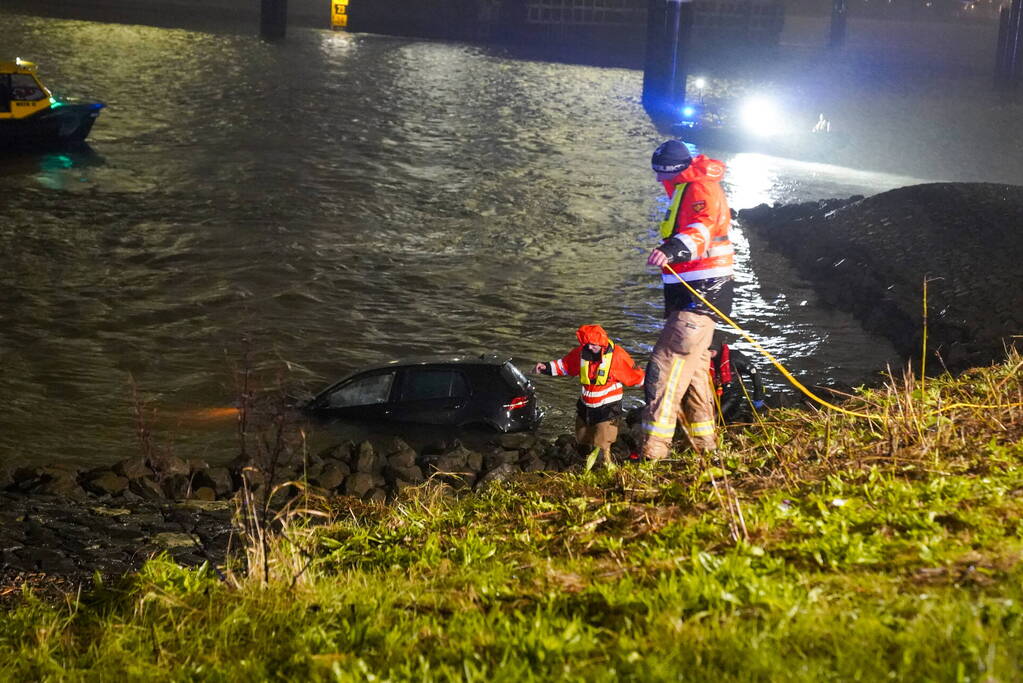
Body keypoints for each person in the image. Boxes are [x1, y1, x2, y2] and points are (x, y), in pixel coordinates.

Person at [640, 139, 735, 459]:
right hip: (696, 294)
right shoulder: (688, 186)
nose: (658, 178)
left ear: (675, 169)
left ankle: (653, 451)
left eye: (661, 172)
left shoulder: (699, 188)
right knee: (694, 374)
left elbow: (702, 227)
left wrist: (672, 250)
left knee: (665, 367)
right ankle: (705, 447)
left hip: (700, 294)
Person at [533, 324, 645, 470]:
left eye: (593, 345)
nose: (590, 348)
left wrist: (650, 385)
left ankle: (607, 464)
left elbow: (634, 375)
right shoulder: (582, 352)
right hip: (586, 405)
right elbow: (566, 365)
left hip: (608, 406)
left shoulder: (617, 356)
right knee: (583, 435)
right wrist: (546, 367)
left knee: (604, 439)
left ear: (602, 344)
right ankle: (585, 461)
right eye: (587, 345)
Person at [709, 337, 765, 423]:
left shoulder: (735, 357)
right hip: (713, 395)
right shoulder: (703, 360)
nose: (709, 354)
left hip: (733, 396)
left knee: (717, 418)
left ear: (718, 349)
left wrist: (758, 396)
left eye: (711, 351)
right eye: (707, 351)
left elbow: (754, 373)